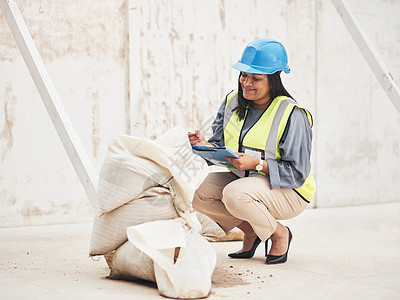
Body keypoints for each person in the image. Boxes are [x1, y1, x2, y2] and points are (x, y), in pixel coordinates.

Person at [188, 38, 316, 264]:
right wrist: (205, 146)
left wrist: (257, 164)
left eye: (256, 78)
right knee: (194, 191)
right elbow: (221, 146)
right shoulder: (232, 102)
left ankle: (279, 234)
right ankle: (252, 230)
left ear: (273, 80)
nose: (246, 82)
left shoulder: (293, 115)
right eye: (244, 75)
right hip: (245, 181)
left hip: (290, 191)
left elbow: (298, 173)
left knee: (235, 193)